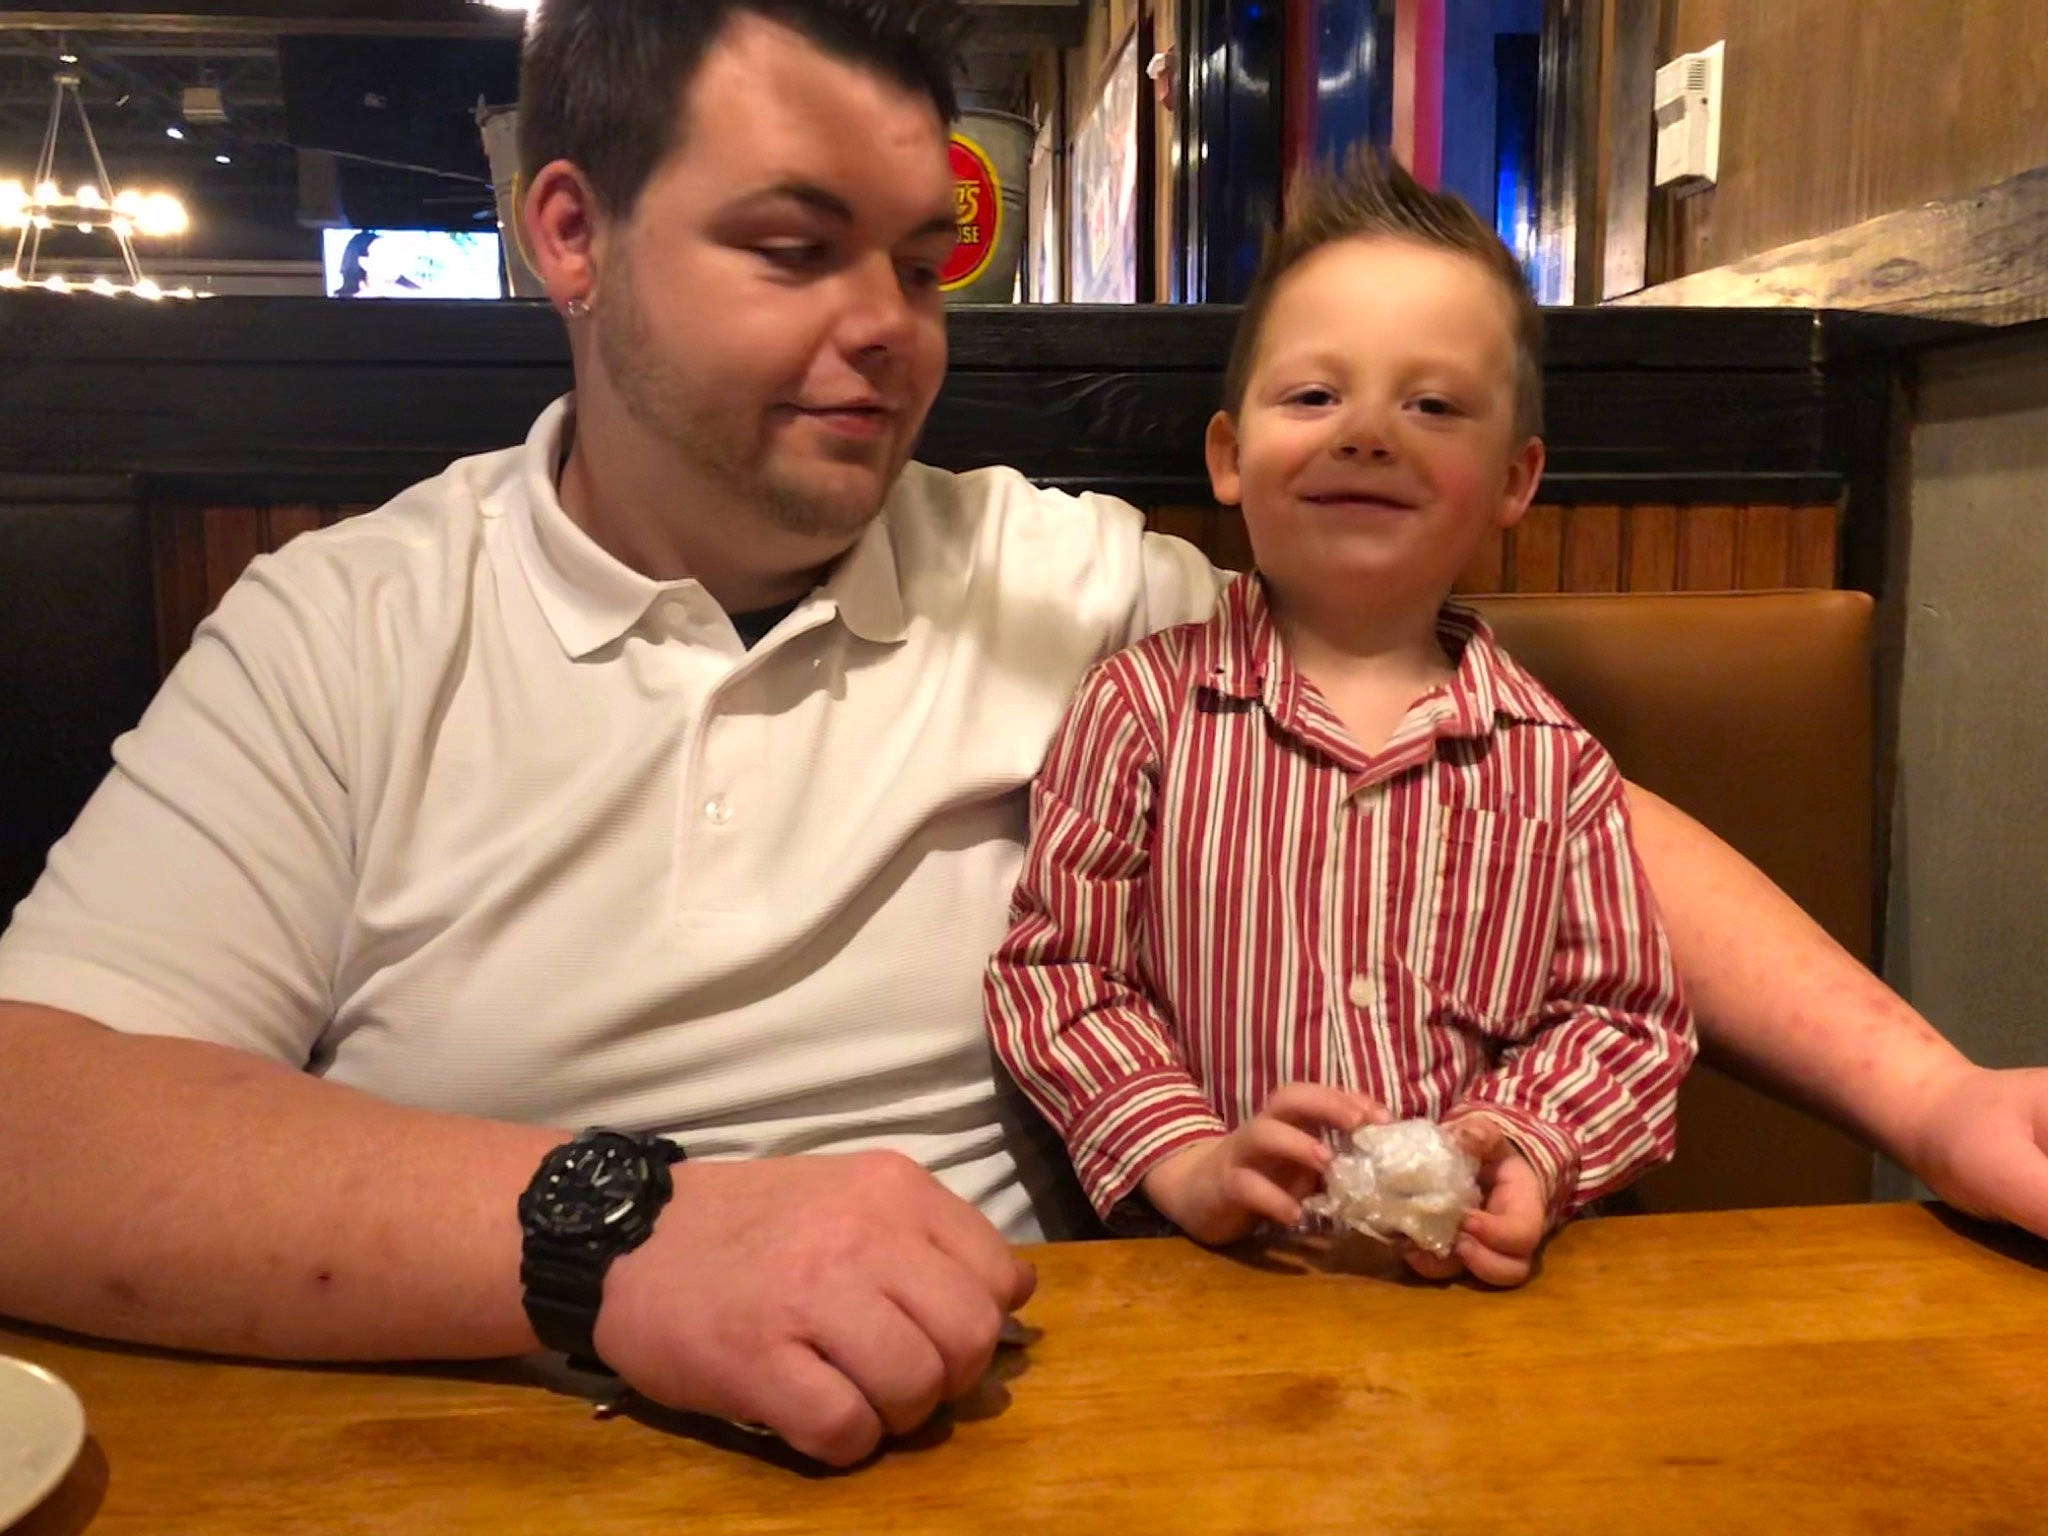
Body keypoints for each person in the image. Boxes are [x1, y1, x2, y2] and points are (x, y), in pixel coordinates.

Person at [0, 0, 2044, 1473]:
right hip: (490, 1447)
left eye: (918, 257)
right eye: (794, 248)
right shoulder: (350, 626)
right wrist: (622, 1234)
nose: (887, 328)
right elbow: (35, 1121)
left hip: (1048, 1438)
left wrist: (1935, 1095)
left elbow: (1532, 809)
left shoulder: (1075, 589)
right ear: (570, 235)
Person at [987, 155, 1695, 1285]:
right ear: (1229, 455)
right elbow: (1062, 975)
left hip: (1467, 1300)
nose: (1366, 431)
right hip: (1204, 1281)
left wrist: (1521, 1142)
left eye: (1431, 405)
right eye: (1314, 395)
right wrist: (1182, 1156)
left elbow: (1619, 1018)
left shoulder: (1553, 762)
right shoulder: (1137, 712)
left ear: (1514, 480)